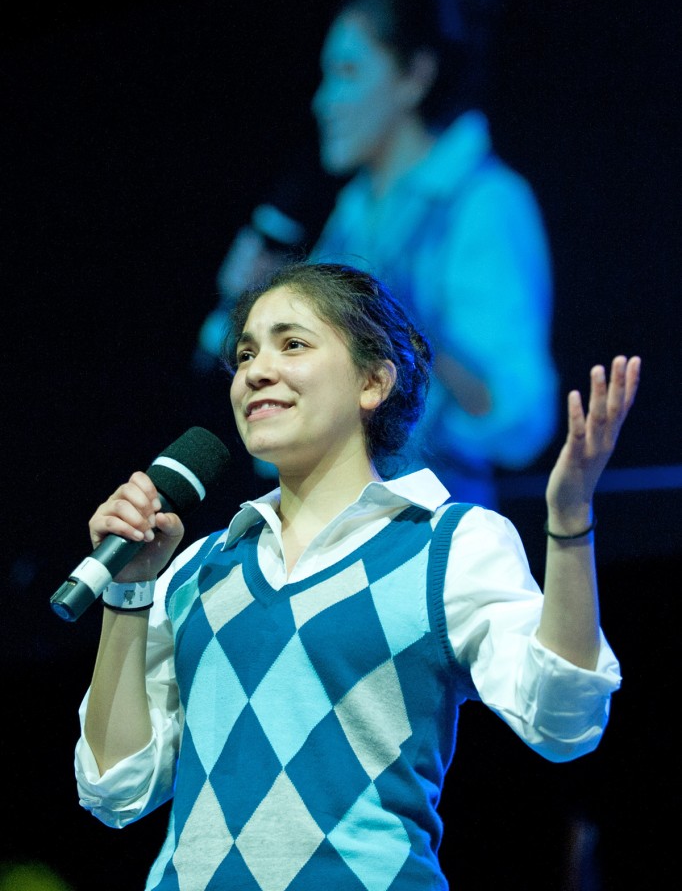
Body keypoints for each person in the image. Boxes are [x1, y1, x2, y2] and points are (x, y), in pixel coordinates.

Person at [74, 260, 639, 891]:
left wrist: (569, 522)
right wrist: (128, 590)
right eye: (246, 354)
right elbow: (113, 787)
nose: (256, 371)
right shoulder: (198, 570)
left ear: (373, 382)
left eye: (292, 344)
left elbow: (563, 721)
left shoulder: (448, 544)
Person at [194, 0, 558, 507]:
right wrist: (251, 302)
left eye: (347, 73)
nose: (323, 101)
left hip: (431, 527)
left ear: (414, 76)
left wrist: (403, 319)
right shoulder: (355, 211)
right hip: (328, 520)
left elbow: (517, 418)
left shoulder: (483, 201)